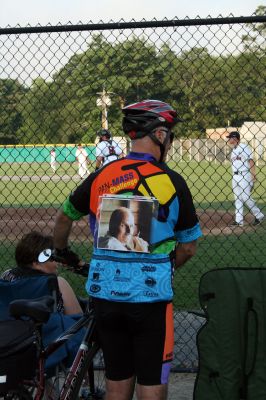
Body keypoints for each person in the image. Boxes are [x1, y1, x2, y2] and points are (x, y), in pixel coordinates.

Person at [53, 99, 202, 400]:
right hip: (151, 301)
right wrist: (169, 265)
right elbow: (188, 248)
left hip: (106, 297)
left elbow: (65, 216)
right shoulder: (172, 181)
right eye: (170, 135)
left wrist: (63, 253)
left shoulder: (101, 177)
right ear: (160, 135)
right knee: (153, 386)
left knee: (117, 386)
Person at [1, 231, 82, 315]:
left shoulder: (7, 275)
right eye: (53, 259)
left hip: (12, 326)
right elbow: (77, 320)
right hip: (49, 327)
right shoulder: (58, 283)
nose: (57, 262)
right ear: (36, 263)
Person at [227, 131, 264, 227]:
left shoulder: (243, 147)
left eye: (230, 137)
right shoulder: (234, 150)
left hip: (244, 175)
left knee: (246, 197)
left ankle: (259, 215)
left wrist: (253, 175)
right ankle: (239, 221)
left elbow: (250, 160)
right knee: (238, 198)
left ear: (235, 138)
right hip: (235, 177)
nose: (229, 139)